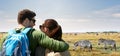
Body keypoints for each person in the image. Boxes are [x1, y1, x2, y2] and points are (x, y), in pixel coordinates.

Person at [1, 9, 69, 56]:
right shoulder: (35, 34)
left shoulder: (7, 35)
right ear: (27, 20)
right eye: (34, 21)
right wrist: (67, 45)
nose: (34, 24)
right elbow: (59, 46)